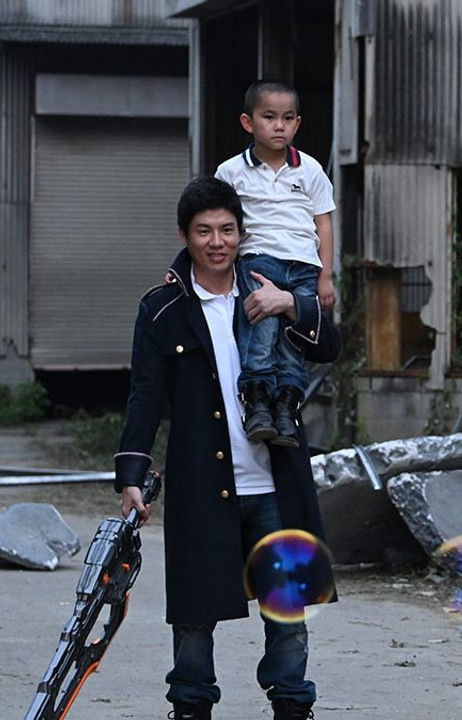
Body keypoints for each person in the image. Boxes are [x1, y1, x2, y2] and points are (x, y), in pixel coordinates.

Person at [115, 177, 339, 720]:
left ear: (242, 232)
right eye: (204, 231)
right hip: (202, 482)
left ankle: (292, 704)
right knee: (195, 609)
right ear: (184, 235)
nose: (217, 242)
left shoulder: (267, 288)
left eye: (227, 230)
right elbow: (145, 396)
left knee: (287, 608)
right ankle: (191, 705)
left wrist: (293, 304)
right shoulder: (163, 309)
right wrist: (130, 476)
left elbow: (329, 346)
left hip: (274, 480)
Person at [214, 79, 336, 448]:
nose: (279, 126)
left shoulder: (310, 169)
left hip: (303, 267)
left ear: (297, 123)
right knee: (261, 332)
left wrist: (326, 277)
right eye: (269, 117)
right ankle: (257, 404)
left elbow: (323, 223)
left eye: (287, 118)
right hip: (258, 260)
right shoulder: (230, 172)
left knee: (293, 340)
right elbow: (218, 223)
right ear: (248, 122)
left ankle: (286, 407)